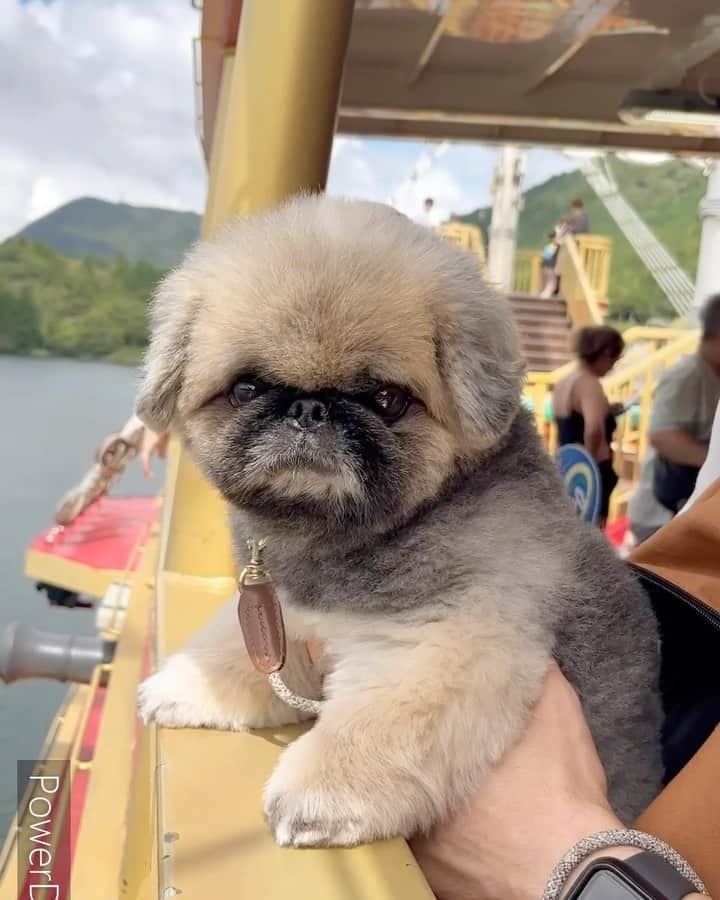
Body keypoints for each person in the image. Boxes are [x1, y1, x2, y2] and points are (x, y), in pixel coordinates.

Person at [628, 294, 720, 543]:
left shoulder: (711, 375)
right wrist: (713, 463)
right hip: (662, 515)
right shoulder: (688, 375)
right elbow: (663, 436)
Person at [554, 325, 625, 524]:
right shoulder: (589, 384)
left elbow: (571, 423)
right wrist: (591, 467)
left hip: (567, 468)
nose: (613, 366)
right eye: (615, 358)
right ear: (605, 353)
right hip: (591, 472)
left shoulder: (563, 382)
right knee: (592, 535)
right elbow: (593, 429)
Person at [540, 229, 560, 296]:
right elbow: (548, 256)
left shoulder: (549, 246)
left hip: (546, 265)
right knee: (552, 281)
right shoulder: (553, 246)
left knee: (549, 281)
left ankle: (545, 293)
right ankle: (545, 294)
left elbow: (544, 256)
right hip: (549, 266)